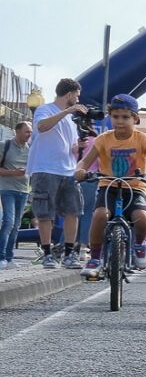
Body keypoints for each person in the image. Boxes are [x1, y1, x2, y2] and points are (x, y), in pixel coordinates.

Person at [80, 94, 146, 278]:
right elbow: (85, 162)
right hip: (108, 186)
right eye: (115, 116)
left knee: (141, 217)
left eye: (125, 117)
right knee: (99, 215)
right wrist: (80, 170)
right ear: (110, 117)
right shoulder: (103, 139)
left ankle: (139, 245)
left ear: (135, 119)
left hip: (135, 187)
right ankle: (94, 257)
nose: (120, 121)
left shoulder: (142, 139)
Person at [28, 78, 90, 269]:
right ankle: (47, 254)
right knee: (45, 214)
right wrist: (67, 112)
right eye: (76, 96)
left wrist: (79, 146)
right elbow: (42, 127)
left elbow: (70, 147)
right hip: (45, 169)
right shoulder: (45, 109)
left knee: (74, 211)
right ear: (69, 94)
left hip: (69, 170)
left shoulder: (71, 120)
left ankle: (69, 254)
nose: (77, 100)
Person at [0, 119, 30, 269]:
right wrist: (14, 173)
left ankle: (10, 258)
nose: (29, 134)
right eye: (26, 131)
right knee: (9, 222)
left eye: (30, 132)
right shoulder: (4, 145)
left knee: (16, 225)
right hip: (7, 189)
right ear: (17, 131)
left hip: (23, 190)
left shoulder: (30, 149)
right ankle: (1, 257)